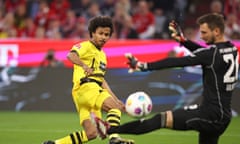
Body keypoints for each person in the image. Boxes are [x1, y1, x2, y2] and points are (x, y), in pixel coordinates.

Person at [103, 13, 239, 144]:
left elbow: (176, 62)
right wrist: (184, 41)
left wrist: (143, 65)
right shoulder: (231, 49)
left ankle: (110, 129)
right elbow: (204, 53)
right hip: (222, 116)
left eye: (204, 33)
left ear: (216, 31)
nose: (202, 37)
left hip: (210, 114)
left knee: (160, 119)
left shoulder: (211, 54)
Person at [43, 16, 134, 144]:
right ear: (92, 33)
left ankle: (54, 143)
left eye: (107, 34)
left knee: (91, 133)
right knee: (115, 110)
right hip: (87, 88)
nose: (103, 37)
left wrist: (115, 99)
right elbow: (71, 55)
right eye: (100, 33)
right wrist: (83, 65)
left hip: (84, 95)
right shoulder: (86, 46)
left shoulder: (103, 56)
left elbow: (101, 80)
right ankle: (114, 138)